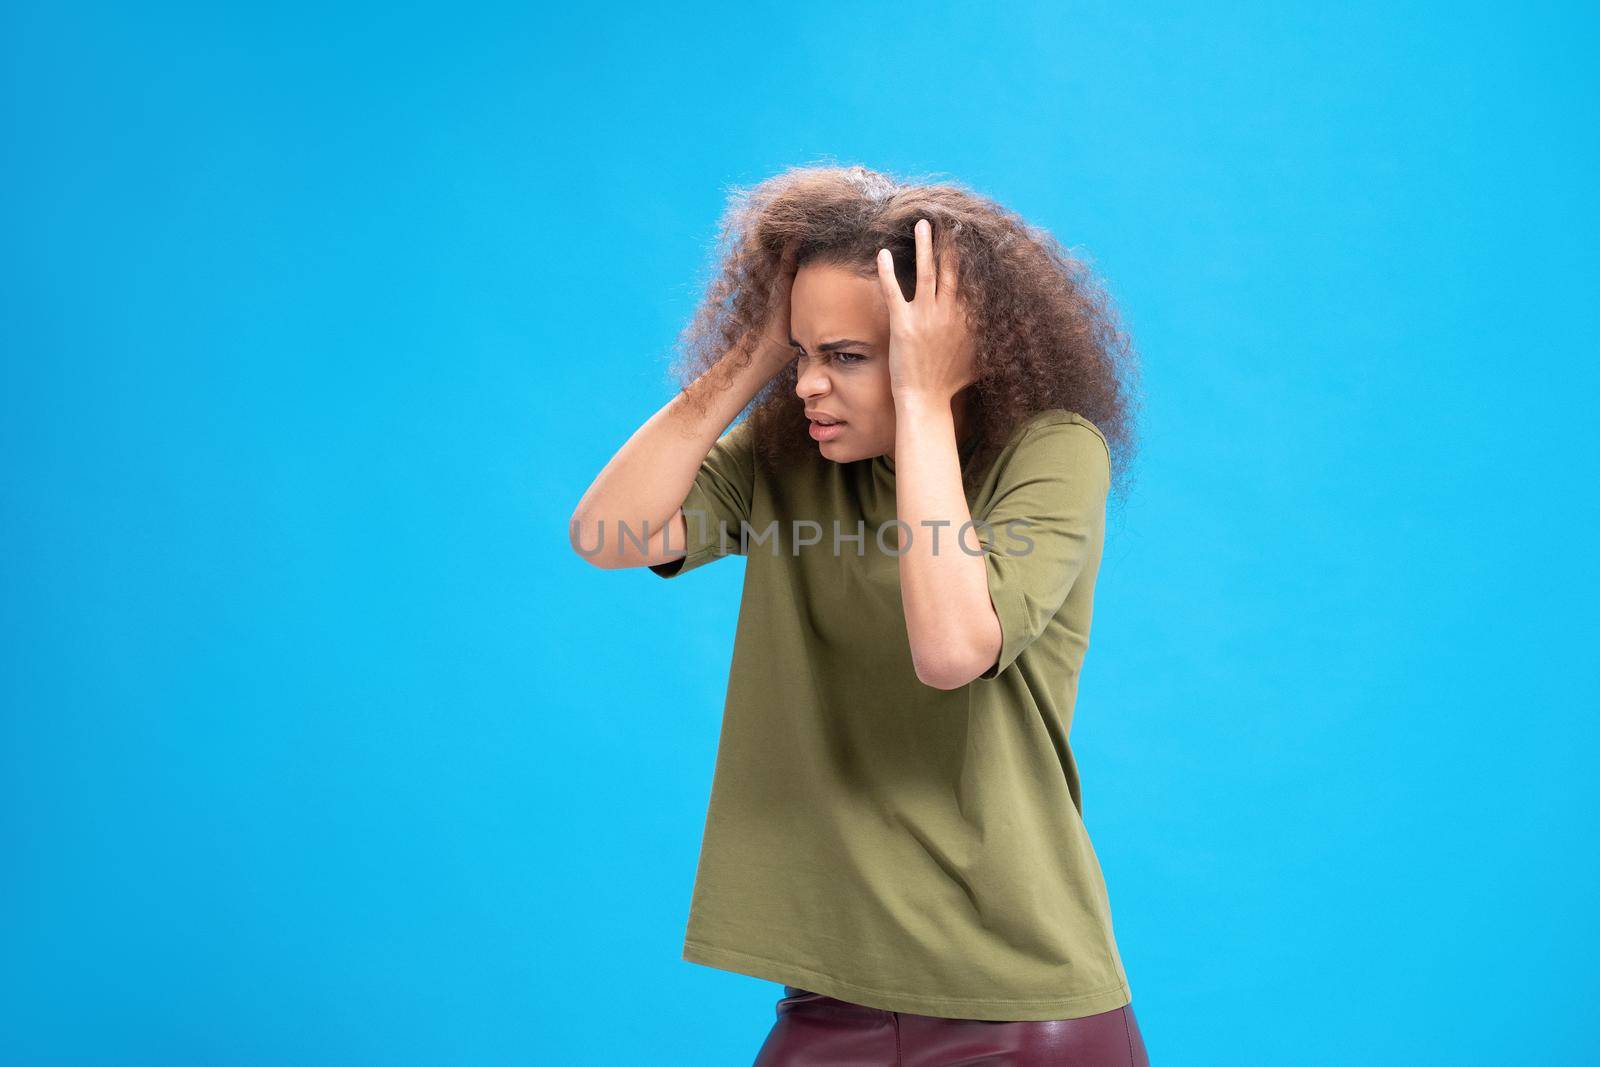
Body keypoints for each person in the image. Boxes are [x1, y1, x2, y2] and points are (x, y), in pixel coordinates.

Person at [570, 163, 1148, 1065]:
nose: (809, 386)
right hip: (832, 998)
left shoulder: (1052, 452)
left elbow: (953, 645)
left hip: (1024, 1003)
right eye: (803, 354)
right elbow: (608, 533)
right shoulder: (787, 459)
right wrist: (750, 353)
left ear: (951, 349)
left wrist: (923, 399)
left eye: (846, 356)